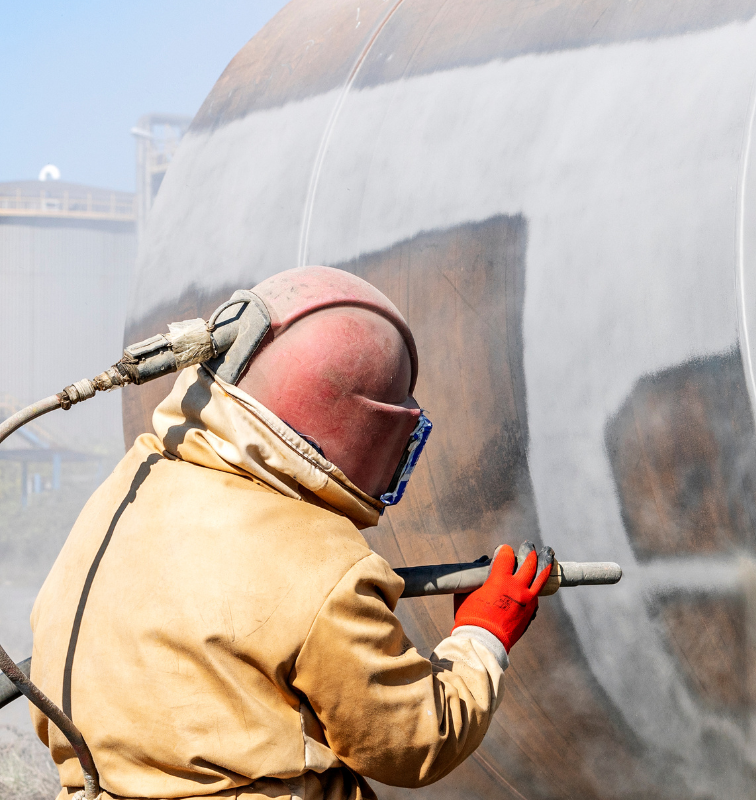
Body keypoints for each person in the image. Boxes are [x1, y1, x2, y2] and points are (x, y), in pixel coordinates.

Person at [27, 266, 549, 799]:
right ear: (365, 434)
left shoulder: (131, 484)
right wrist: (483, 636)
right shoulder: (324, 564)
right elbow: (412, 743)